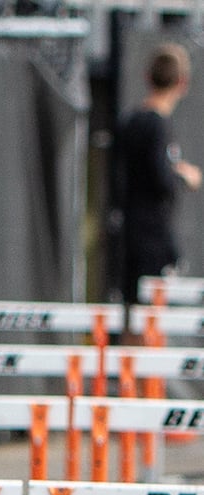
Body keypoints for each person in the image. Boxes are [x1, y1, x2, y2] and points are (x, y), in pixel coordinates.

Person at [117, 43, 202, 319]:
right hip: (151, 235)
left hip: (128, 229)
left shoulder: (131, 121)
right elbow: (160, 179)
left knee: (132, 312)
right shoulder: (157, 125)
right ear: (182, 83)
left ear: (147, 77)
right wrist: (183, 176)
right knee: (151, 315)